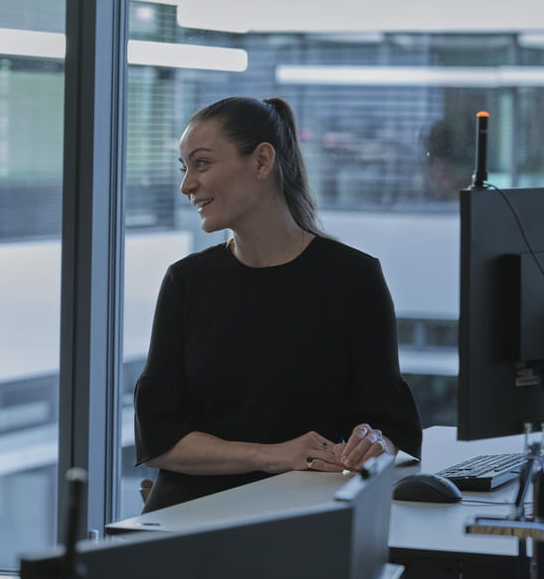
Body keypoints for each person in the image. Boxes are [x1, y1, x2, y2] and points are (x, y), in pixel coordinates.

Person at [134, 96, 423, 512]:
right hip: (189, 522)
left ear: (261, 161)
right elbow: (159, 440)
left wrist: (374, 444)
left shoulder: (353, 279)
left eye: (201, 164)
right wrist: (273, 455)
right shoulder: (187, 281)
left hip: (302, 519)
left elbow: (391, 428)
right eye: (184, 169)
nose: (186, 185)